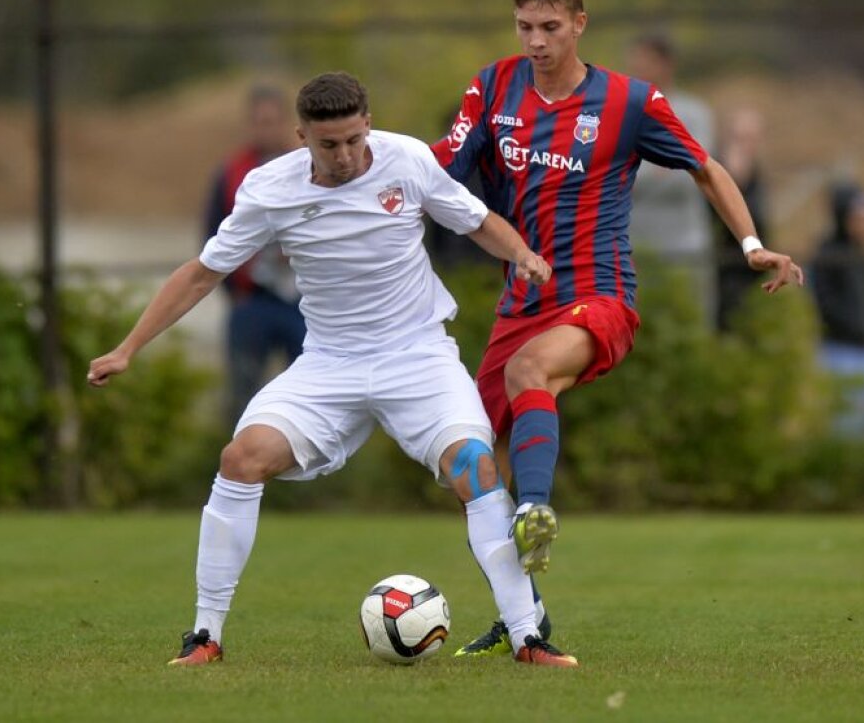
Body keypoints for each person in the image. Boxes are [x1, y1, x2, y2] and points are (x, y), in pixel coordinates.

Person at [89, 72, 578, 668]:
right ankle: (205, 636)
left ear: (367, 123)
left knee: (475, 469)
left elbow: (477, 221)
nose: (345, 155)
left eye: (353, 139)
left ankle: (528, 637)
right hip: (328, 364)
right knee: (240, 460)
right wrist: (127, 348)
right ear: (302, 138)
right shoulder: (268, 189)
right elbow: (201, 273)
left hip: (417, 355)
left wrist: (523, 254)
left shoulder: (410, 161)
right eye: (329, 145)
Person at [432, 0, 804, 655]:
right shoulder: (493, 87)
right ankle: (526, 616)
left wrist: (751, 243)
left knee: (531, 372)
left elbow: (706, 166)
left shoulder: (630, 102)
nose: (535, 42)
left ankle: (537, 507)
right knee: (468, 463)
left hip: (598, 297)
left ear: (579, 23)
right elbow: (439, 168)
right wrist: (366, 171)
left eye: (548, 26)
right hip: (521, 301)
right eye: (523, 27)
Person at [204, 85, 305, 429]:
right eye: (259, 122)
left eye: (272, 121)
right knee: (243, 393)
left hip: (304, 300)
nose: (266, 129)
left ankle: (317, 477)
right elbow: (212, 236)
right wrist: (235, 292)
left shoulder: (308, 164)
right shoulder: (233, 171)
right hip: (253, 298)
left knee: (312, 395)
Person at [626, 32, 717, 322]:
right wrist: (658, 169)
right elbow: (606, 173)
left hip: (684, 249)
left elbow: (692, 175)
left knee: (688, 323)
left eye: (646, 60)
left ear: (667, 64)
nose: (638, 66)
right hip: (634, 248)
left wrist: (635, 173)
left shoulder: (693, 114)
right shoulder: (623, 110)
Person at [811, 182, 864, 436]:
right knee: (846, 428)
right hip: (841, 353)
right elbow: (823, 303)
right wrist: (852, 328)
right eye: (859, 217)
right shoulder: (827, 255)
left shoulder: (863, 255)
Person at [713, 107, 771, 331]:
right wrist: (735, 182)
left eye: (753, 139)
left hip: (753, 276)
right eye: (741, 139)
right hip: (723, 276)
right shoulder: (714, 176)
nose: (747, 146)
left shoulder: (756, 176)